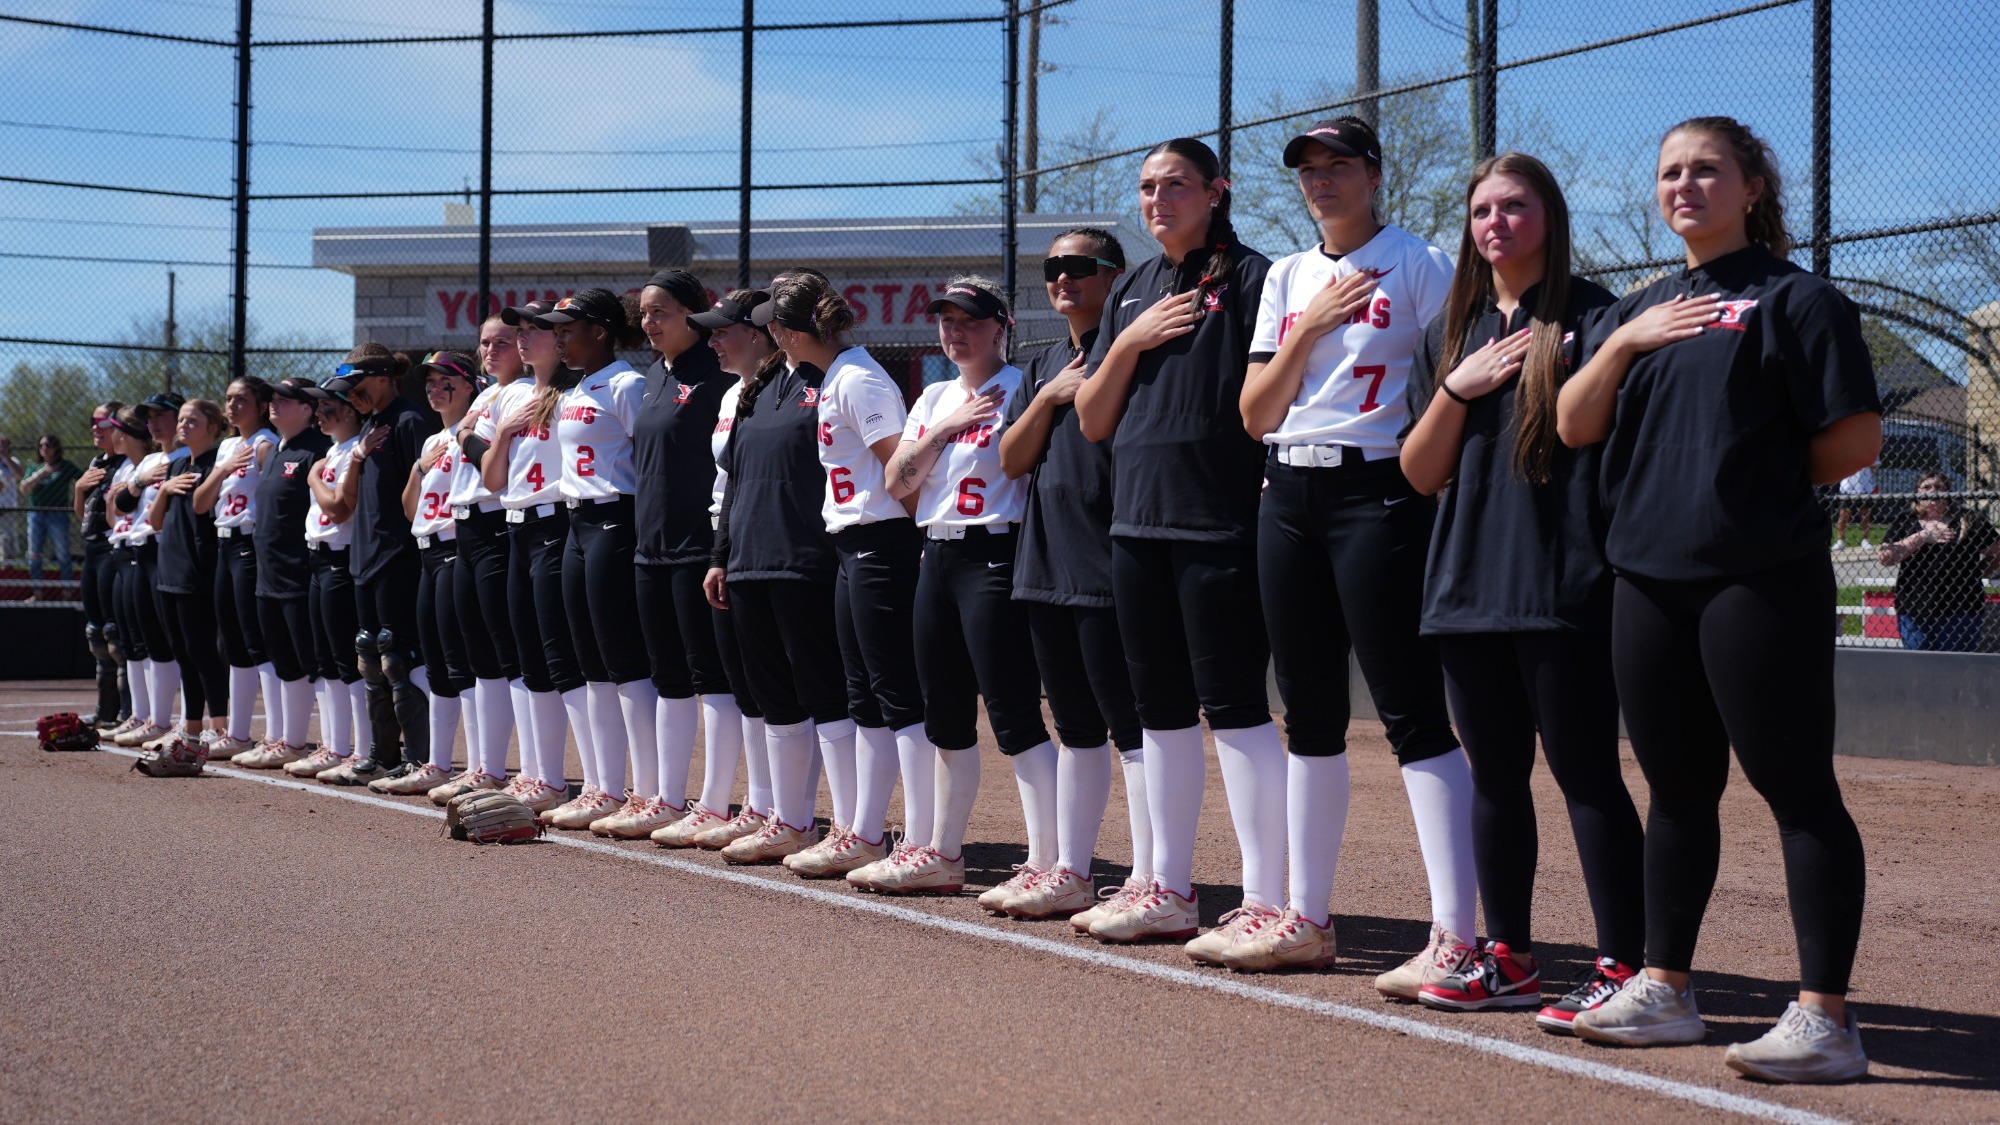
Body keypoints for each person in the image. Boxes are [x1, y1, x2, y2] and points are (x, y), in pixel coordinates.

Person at [1557, 116, 1880, 1083]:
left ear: (1750, 188)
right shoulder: (1638, 309)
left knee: (1796, 788)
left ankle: (1827, 1018)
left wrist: (1758, 490)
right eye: (1668, 173)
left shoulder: (1799, 300)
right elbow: (1574, 423)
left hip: (1756, 578)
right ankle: (1666, 990)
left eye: (1705, 170)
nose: (1684, 186)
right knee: (1676, 792)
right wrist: (1622, 345)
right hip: (1645, 579)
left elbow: (1855, 440)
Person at [1397, 153, 1644, 1027]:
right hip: (1465, 585)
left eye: (1514, 206)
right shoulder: (1450, 331)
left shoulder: (1598, 317)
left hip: (1563, 584)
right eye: (1481, 211)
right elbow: (1420, 472)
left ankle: (1624, 964)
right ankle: (1510, 957)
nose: (1494, 222)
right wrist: (1457, 391)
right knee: (1494, 780)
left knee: (1587, 776)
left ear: (1550, 214)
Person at [1233, 116, 1471, 979]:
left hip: (1378, 490)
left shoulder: (1420, 262)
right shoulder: (1290, 275)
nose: (1321, 180)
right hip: (1286, 493)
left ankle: (1456, 934)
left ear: (1374, 174)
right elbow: (1256, 413)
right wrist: (1308, 327)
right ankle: (1308, 917)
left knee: (1410, 709)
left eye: (1338, 166)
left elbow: (1465, 367)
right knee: (1309, 713)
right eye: (1308, 169)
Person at [1071, 137, 1277, 950]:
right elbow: (1091, 420)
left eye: (1177, 185)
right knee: (1158, 714)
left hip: (1219, 523)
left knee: (1234, 708)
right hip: (1135, 525)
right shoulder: (1134, 292)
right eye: (1148, 187)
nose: (1159, 199)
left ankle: (1267, 896)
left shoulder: (1256, 278)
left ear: (1216, 190)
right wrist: (1128, 340)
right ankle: (1167, 886)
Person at [866, 277, 1051, 898]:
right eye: (947, 320)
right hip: (936, 557)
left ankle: (1048, 862)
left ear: (1002, 327)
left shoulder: (1022, 386)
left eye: (970, 320)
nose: (955, 331)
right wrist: (943, 428)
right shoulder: (935, 397)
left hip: (996, 554)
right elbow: (897, 483)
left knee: (1013, 713)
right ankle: (944, 853)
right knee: (944, 715)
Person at [758, 271, 932, 884]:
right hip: (852, 546)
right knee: (864, 696)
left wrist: (919, 546)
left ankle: (920, 840)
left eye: (774, 324)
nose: (771, 335)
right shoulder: (836, 376)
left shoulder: (857, 378)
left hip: (881, 544)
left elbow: (903, 473)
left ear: (787, 330)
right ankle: (860, 832)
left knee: (895, 694)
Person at [998, 228, 1149, 923]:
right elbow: (1011, 459)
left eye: (1079, 266)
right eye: (1053, 267)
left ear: (1115, 275)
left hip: (1111, 562)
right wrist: (1049, 396)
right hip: (1046, 563)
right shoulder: (1043, 365)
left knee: (1134, 726)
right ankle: (1072, 871)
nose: (1063, 278)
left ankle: (1152, 875)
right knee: (1077, 727)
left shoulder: (1133, 345)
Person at [704, 277, 849, 866]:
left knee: (825, 692)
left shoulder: (833, 378)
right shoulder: (760, 387)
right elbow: (735, 477)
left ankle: (849, 827)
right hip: (749, 559)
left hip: (807, 558)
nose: (772, 330)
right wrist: (720, 556)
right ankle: (790, 821)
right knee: (772, 698)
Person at [631, 276, 763, 846]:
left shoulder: (716, 377)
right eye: (643, 314)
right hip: (650, 547)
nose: (650, 322)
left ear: (693, 313)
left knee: (713, 677)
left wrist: (719, 548)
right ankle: (665, 797)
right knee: (668, 678)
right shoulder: (653, 376)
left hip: (698, 546)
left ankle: (715, 802)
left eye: (661, 312)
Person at [659, 290, 779, 850]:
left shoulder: (783, 389)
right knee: (742, 684)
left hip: (767, 545)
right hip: (725, 538)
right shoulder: (734, 393)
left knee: (775, 684)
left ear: (756, 334)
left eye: (722, 332)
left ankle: (778, 809)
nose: (713, 342)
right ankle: (757, 805)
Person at [533, 290, 655, 832]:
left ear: (602, 330)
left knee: (623, 661)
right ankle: (603, 787)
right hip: (576, 523)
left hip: (613, 521)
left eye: (569, 328)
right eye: (555, 329)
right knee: (590, 666)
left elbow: (648, 464)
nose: (559, 337)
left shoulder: (627, 384)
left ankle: (650, 790)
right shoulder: (575, 387)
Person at [484, 300, 585, 814]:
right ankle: (539, 774)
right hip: (515, 527)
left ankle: (586, 782)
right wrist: (503, 431)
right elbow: (491, 480)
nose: (523, 338)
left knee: (558, 655)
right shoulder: (516, 394)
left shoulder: (574, 393)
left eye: (535, 331)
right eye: (519, 330)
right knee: (527, 659)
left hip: (556, 524)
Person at [321, 344, 437, 785]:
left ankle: (419, 757)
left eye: (358, 385)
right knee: (370, 656)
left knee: (399, 658)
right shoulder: (370, 425)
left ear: (385, 377)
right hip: (364, 559)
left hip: (399, 559)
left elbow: (424, 494)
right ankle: (381, 753)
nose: (351, 395)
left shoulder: (409, 422)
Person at [374, 351, 484, 795]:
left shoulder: (476, 429)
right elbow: (408, 507)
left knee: (462, 663)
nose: (435, 387)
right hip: (427, 552)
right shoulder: (431, 440)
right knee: (436, 662)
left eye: (447, 380)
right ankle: (438, 763)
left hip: (459, 548)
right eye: (431, 381)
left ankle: (480, 766)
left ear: (469, 384)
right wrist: (421, 466)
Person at [431, 314, 529, 804]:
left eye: (503, 342)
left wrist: (467, 433)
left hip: (496, 524)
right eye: (485, 342)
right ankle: (485, 766)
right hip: (465, 527)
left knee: (506, 650)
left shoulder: (521, 391)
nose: (491, 350)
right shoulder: (490, 393)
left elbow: (496, 465)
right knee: (478, 655)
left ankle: (529, 770)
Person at [235, 379, 330, 770]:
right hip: (267, 574)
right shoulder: (274, 451)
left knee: (312, 660)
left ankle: (332, 746)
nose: (274, 404)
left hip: (299, 573)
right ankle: (289, 741)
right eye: (272, 398)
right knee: (282, 659)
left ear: (308, 408)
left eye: (284, 399)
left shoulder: (316, 450)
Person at [193, 376, 280, 759]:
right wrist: (222, 469)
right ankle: (237, 733)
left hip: (250, 544)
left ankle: (276, 735)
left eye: (241, 399)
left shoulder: (266, 444)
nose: (231, 406)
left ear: (262, 405)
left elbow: (276, 501)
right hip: (223, 544)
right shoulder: (228, 446)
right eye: (228, 399)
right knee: (229, 640)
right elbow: (199, 503)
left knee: (255, 638)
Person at [291, 385, 370, 778]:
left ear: (352, 411)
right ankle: (334, 745)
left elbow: (339, 509)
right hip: (318, 558)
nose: (320, 414)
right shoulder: (334, 451)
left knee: (346, 660)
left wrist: (313, 479)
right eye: (318, 408)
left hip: (341, 558)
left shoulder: (356, 446)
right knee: (325, 660)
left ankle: (362, 750)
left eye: (329, 408)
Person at [147, 400, 230, 753]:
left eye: (192, 420)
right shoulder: (177, 463)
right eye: (181, 419)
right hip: (168, 567)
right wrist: (164, 489)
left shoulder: (216, 463)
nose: (183, 425)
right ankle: (191, 726)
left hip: (199, 568)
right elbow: (154, 521)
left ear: (213, 426)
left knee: (202, 650)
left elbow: (207, 509)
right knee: (182, 651)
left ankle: (220, 725)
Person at [109, 395, 187, 750]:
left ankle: (187, 721)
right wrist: (139, 482)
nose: (154, 424)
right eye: (150, 418)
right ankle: (153, 719)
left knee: (180, 641)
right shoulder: (154, 459)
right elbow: (122, 504)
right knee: (148, 639)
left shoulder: (188, 457)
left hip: (169, 550)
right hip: (141, 549)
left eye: (162, 416)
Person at [1879, 473, 2000, 652]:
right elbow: (1886, 557)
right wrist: (1923, 536)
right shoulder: (1906, 520)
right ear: (1917, 493)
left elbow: (1997, 551)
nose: (1933, 492)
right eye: (1927, 487)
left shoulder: (1968, 519)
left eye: (1939, 487)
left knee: (1956, 664)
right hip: (1915, 606)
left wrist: (1980, 571)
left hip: (1961, 606)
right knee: (1919, 663)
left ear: (1949, 493)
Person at [75, 403, 128, 727]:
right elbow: (83, 516)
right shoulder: (98, 462)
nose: (96, 428)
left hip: (112, 547)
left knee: (114, 633)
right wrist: (79, 488)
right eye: (92, 422)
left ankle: (126, 712)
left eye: (102, 422)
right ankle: (105, 709)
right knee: (95, 632)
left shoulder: (126, 465)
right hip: (92, 547)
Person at [23, 434, 81, 590]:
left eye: (48, 445)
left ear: (56, 448)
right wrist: (43, 472)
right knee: (34, 555)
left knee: (62, 555)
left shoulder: (65, 466)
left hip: (58, 514)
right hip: (36, 514)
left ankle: (67, 593)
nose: (44, 449)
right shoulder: (35, 467)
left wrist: (77, 499)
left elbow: (82, 481)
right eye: (41, 446)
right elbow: (24, 487)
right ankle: (37, 593)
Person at [1832, 463, 1876, 548]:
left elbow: (1875, 465)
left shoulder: (1868, 449)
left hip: (1864, 486)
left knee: (1865, 515)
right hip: (1847, 486)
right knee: (1844, 514)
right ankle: (1840, 541)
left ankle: (1865, 540)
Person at [0, 434, 21, 563]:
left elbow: (20, 475)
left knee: (8, 541)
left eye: (3, 445)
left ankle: (8, 570)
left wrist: (6, 458)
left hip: (7, 510)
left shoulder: (13, 461)